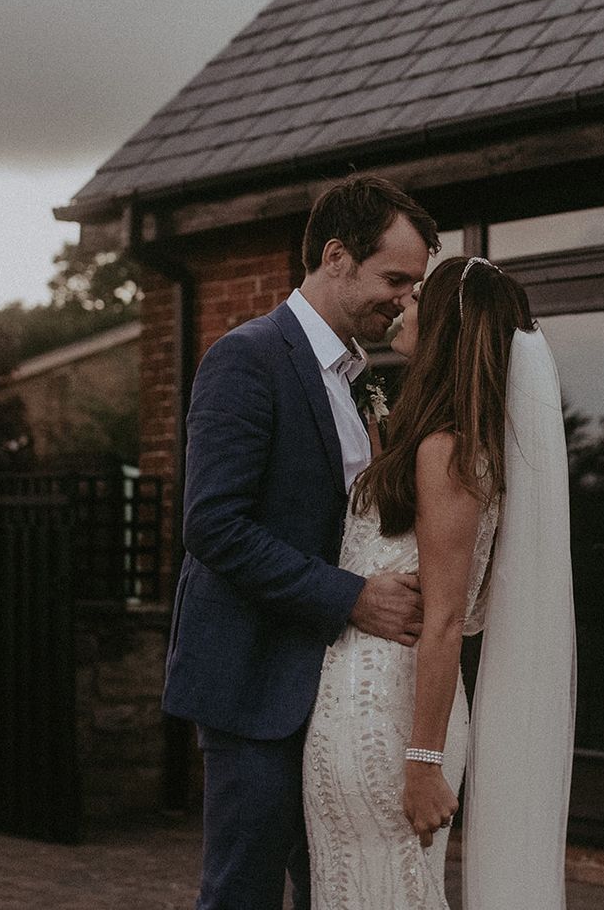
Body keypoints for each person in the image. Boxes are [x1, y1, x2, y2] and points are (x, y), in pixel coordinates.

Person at [162, 173, 440, 910]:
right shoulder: (247, 357)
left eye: (413, 286)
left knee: (332, 888)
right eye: (395, 280)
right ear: (337, 256)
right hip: (254, 681)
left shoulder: (354, 377)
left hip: (337, 696)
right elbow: (212, 524)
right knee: (243, 894)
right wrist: (353, 598)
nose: (404, 299)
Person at [303, 256, 577, 909]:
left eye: (419, 294)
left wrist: (423, 761)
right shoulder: (439, 444)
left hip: (388, 719)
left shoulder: (448, 451)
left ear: (447, 325)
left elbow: (449, 617)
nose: (403, 302)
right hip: (357, 704)